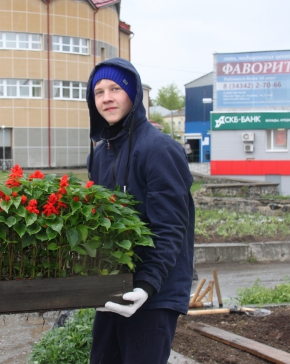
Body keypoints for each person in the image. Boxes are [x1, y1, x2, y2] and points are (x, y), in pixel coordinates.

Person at [86, 58, 195, 364]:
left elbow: (172, 226)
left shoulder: (159, 149)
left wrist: (146, 285)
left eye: (115, 89)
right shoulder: (100, 154)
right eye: (98, 92)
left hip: (153, 292)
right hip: (114, 285)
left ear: (134, 94)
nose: (106, 97)